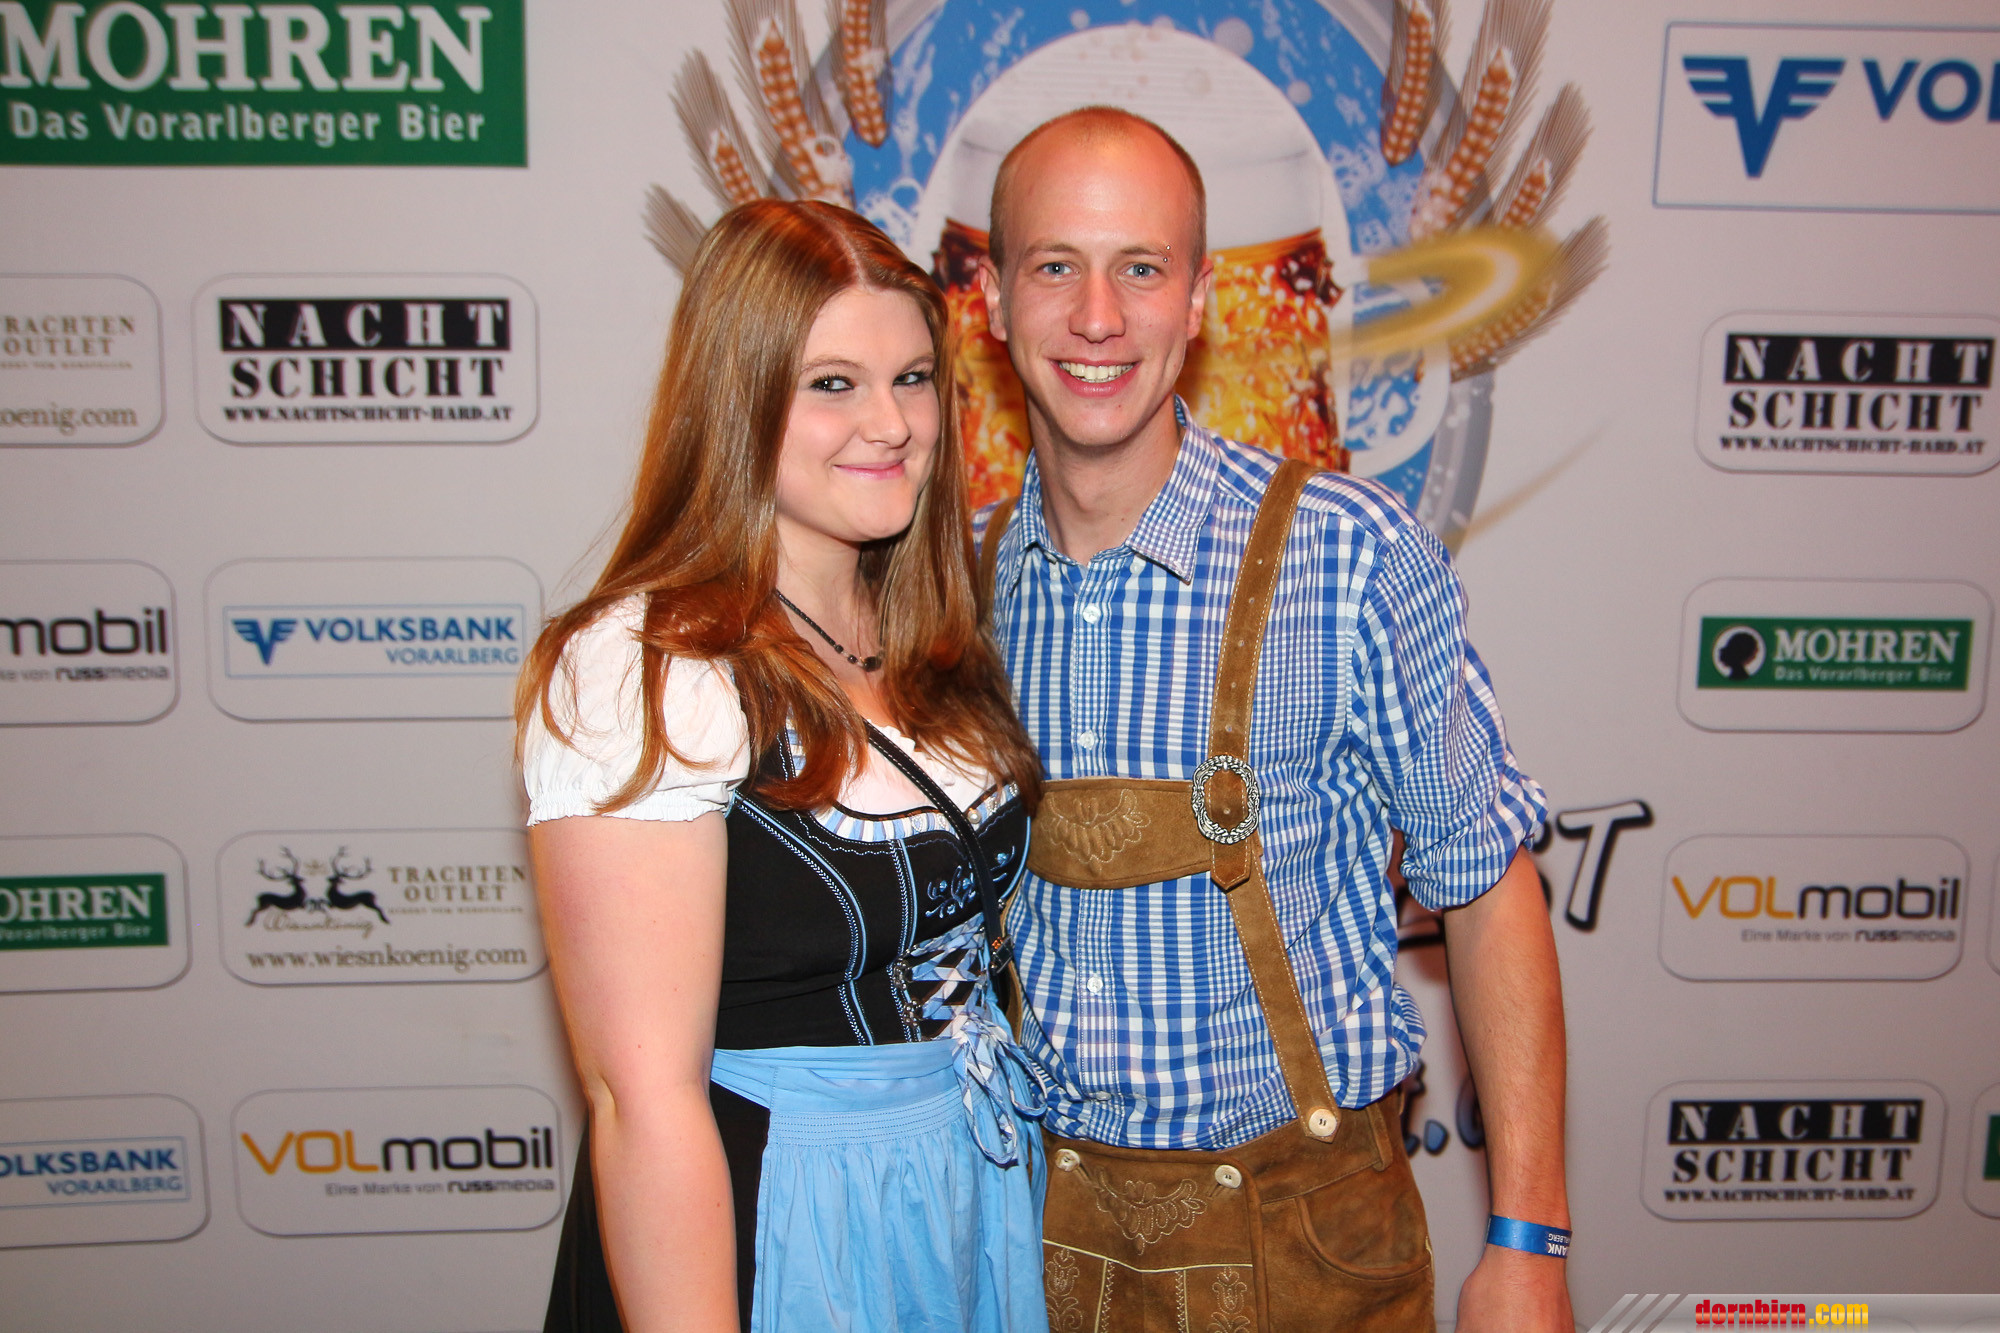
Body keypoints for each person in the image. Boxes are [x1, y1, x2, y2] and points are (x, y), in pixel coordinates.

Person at [971, 107, 1573, 1331]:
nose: (1098, 316)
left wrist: (1527, 1242)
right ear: (990, 299)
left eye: (1141, 268)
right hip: (1029, 1242)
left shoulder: (1346, 553)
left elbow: (1484, 882)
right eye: (1055, 266)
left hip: (1307, 1245)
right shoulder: (959, 580)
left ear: (1200, 299)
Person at [518, 199, 1050, 1333]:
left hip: (963, 1186)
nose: (890, 424)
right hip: (784, 1219)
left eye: (913, 379)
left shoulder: (927, 624)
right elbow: (643, 1103)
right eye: (832, 384)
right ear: (738, 396)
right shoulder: (646, 668)